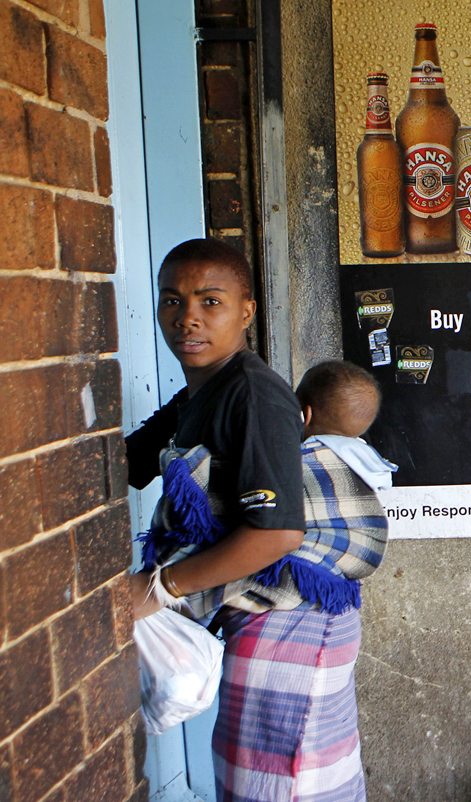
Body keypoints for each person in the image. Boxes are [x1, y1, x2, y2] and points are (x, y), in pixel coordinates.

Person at [125, 239, 385, 801]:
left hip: (294, 622)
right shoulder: (198, 394)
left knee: (281, 787)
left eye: (209, 301)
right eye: (172, 302)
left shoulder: (253, 394)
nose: (187, 318)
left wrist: (160, 588)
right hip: (265, 620)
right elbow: (127, 463)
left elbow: (277, 532)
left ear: (246, 310)